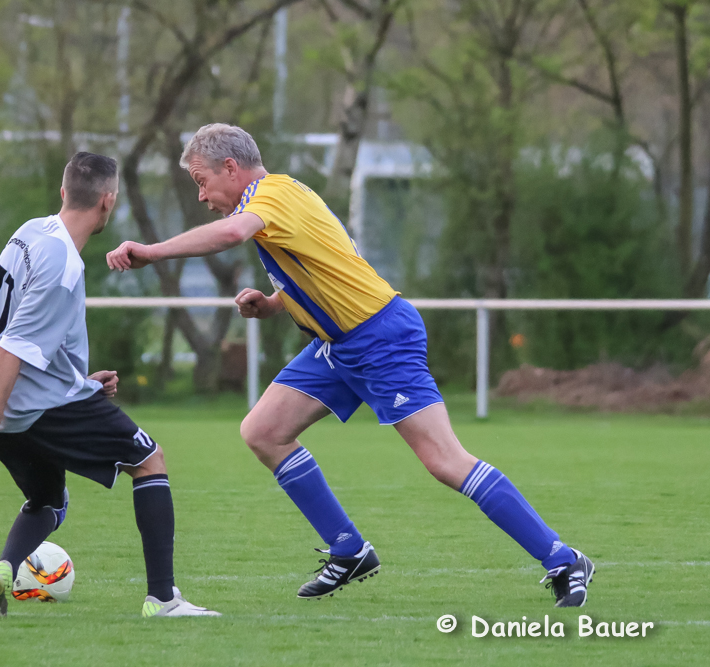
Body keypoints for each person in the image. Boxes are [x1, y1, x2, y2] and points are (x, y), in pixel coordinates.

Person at [106, 124, 595, 607]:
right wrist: (273, 305)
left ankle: (563, 556)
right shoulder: (282, 198)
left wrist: (152, 251)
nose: (200, 195)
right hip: (338, 344)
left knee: (445, 461)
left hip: (380, 336)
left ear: (230, 167)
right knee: (263, 430)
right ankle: (349, 549)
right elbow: (329, 266)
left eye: (201, 181)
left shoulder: (269, 195)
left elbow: (232, 232)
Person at [0, 152, 220, 619]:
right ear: (108, 202)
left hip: (1, 394)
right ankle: (164, 599)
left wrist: (81, 382)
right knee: (148, 459)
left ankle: (4, 571)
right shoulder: (63, 264)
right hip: (23, 402)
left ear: (63, 192)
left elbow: (23, 333)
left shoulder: (31, 232)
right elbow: (13, 347)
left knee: (49, 500)